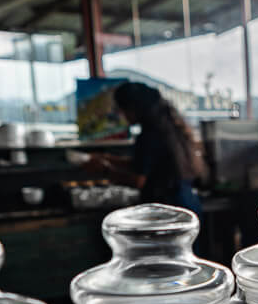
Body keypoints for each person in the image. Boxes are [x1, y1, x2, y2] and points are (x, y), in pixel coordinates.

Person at [86, 81, 207, 214]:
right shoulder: (168, 128)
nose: (122, 115)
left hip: (167, 209)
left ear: (134, 108)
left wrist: (104, 171)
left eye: (122, 109)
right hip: (187, 204)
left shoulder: (149, 135)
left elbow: (139, 181)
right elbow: (144, 166)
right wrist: (107, 158)